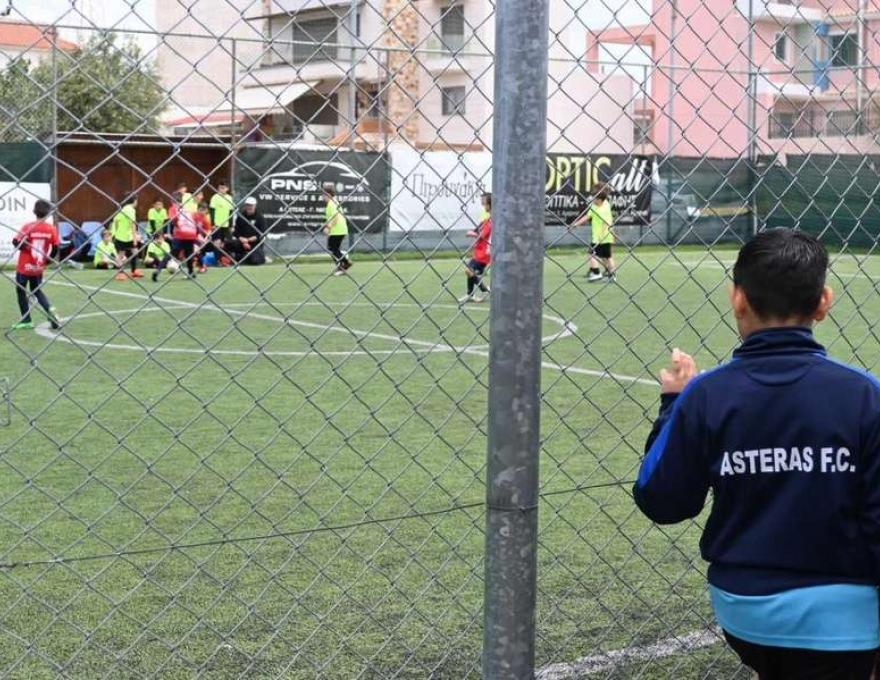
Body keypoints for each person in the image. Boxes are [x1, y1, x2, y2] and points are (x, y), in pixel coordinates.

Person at [634, 228, 880, 680]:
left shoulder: (706, 395)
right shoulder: (866, 395)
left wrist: (673, 405)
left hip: (744, 611)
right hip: (845, 618)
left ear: (737, 299)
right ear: (824, 302)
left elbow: (662, 500)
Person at [11, 199, 61, 331]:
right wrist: (47, 260)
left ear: (35, 212)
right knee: (36, 290)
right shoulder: (51, 228)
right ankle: (50, 310)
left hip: (24, 266)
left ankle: (26, 320)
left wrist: (26, 247)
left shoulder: (28, 227)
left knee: (21, 291)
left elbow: (16, 242)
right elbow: (55, 248)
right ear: (48, 213)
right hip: (38, 266)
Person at [571, 183, 616, 282]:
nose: (593, 200)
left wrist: (601, 236)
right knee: (607, 257)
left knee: (592, 254)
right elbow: (588, 216)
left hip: (600, 238)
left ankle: (596, 273)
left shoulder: (601, 209)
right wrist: (576, 224)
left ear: (600, 200)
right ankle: (612, 275)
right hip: (604, 237)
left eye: (595, 198)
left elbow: (605, 223)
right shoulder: (601, 204)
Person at [459, 194, 492, 304]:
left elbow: (482, 235)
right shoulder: (488, 219)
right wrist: (473, 232)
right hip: (480, 251)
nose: (483, 205)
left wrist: (472, 234)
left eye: (485, 203)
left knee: (469, 270)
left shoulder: (492, 221)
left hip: (484, 253)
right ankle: (470, 294)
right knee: (470, 271)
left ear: (490, 204)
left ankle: (484, 289)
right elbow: (478, 230)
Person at [172, 198, 209, 279]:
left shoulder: (206, 219)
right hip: (191, 236)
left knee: (194, 251)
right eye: (201, 210)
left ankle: (202, 266)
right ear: (198, 209)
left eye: (204, 210)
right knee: (187, 253)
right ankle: (192, 269)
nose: (202, 212)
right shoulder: (193, 215)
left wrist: (205, 239)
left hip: (199, 237)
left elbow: (208, 231)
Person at [111, 194, 143, 279]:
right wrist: (135, 237)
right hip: (124, 236)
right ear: (135, 200)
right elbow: (132, 224)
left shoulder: (124, 208)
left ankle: (133, 271)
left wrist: (115, 232)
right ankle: (121, 273)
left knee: (133, 251)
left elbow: (115, 220)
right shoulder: (130, 209)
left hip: (124, 235)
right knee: (123, 254)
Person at [322, 186, 351, 276]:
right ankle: (342, 264)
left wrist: (328, 227)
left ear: (328, 195)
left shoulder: (332, 203)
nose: (322, 197)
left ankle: (344, 264)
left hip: (338, 230)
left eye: (324, 195)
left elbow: (336, 217)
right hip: (339, 229)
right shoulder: (333, 202)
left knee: (332, 248)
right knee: (333, 249)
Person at [230, 196, 266, 265]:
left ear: (255, 206)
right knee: (228, 244)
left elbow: (262, 233)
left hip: (255, 244)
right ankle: (236, 256)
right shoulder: (241, 217)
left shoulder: (260, 217)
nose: (249, 207)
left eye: (251, 205)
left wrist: (248, 240)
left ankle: (247, 256)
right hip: (241, 242)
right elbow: (236, 232)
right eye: (247, 205)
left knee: (255, 261)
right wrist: (242, 240)